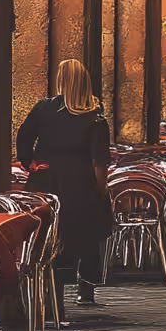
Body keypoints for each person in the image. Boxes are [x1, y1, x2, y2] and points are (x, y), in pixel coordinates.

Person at [17, 59, 115, 307]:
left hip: (45, 181)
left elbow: (24, 135)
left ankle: (51, 297)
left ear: (62, 81)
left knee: (48, 236)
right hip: (80, 182)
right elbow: (99, 161)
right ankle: (86, 288)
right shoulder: (95, 117)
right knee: (87, 235)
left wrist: (29, 163)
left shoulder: (44, 109)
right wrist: (101, 189)